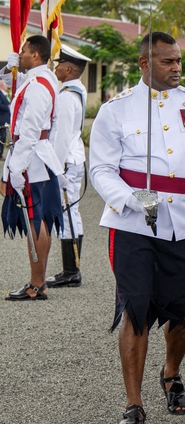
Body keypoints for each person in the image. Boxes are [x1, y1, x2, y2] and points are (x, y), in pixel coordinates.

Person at [89, 31, 185, 424]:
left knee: (183, 309)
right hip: (133, 225)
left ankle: (171, 372)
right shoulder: (116, 110)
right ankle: (133, 404)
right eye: (167, 61)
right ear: (143, 63)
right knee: (135, 308)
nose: (176, 68)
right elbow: (100, 169)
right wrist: (131, 199)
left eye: (178, 61)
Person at [2, 35, 63, 301]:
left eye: (24, 50)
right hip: (35, 156)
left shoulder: (38, 84)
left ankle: (37, 285)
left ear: (35, 56)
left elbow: (30, 128)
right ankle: (37, 281)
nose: (21, 53)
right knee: (39, 219)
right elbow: (14, 90)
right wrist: (7, 69)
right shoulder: (39, 79)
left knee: (36, 219)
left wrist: (16, 166)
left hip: (32, 159)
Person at [46, 45, 90, 288]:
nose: (56, 67)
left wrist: (56, 168)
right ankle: (72, 268)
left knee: (68, 212)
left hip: (66, 161)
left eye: (59, 64)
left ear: (70, 68)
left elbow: (60, 137)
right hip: (75, 158)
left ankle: (71, 272)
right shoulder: (78, 90)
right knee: (72, 211)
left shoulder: (66, 97)